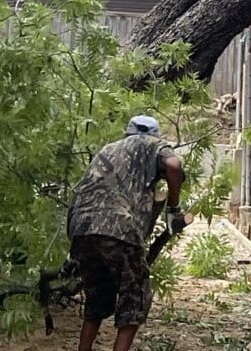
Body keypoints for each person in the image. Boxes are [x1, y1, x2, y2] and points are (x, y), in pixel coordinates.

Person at [67, 115, 186, 351]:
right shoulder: (152, 144)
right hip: (117, 228)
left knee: (96, 298)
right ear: (154, 135)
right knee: (135, 299)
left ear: (126, 134)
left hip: (81, 227)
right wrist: (174, 208)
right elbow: (173, 165)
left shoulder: (109, 149)